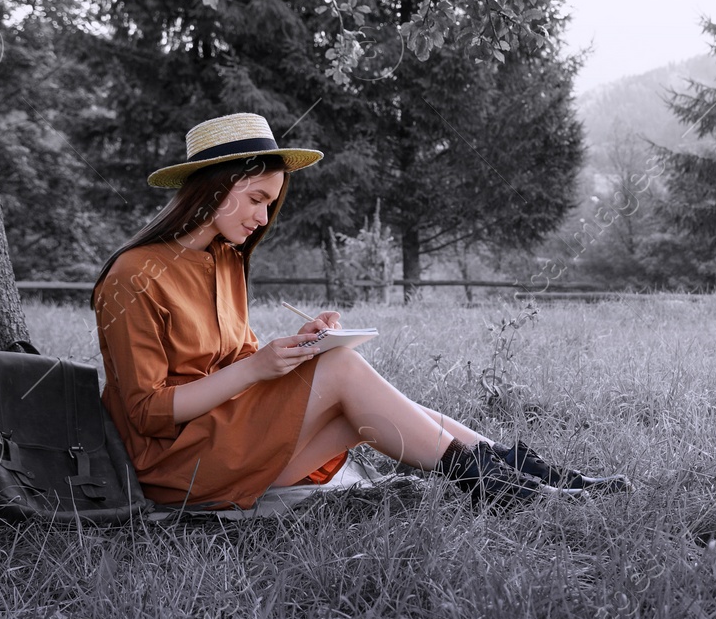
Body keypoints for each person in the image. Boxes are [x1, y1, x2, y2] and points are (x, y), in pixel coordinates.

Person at [90, 112, 629, 513]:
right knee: (344, 371)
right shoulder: (133, 276)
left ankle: (535, 479)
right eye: (256, 198)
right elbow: (145, 411)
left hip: (229, 434)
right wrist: (259, 368)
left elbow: (229, 360)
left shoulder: (223, 261)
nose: (264, 217)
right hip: (180, 465)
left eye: (270, 204)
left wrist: (294, 347)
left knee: (377, 401)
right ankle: (498, 488)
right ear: (214, 186)